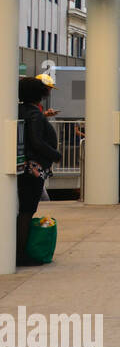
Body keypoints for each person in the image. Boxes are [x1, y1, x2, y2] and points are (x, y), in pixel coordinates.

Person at [17, 77, 60, 266]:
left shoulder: (21, 110)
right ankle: (20, 253)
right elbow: (36, 141)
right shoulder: (34, 113)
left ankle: (18, 250)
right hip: (32, 170)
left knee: (23, 210)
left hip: (24, 168)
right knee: (27, 210)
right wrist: (55, 154)